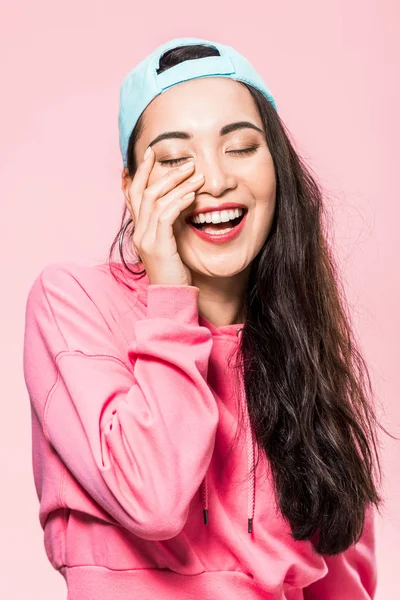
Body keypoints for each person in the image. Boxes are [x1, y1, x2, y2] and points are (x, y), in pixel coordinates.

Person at [23, 36, 385, 599]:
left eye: (241, 148)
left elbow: (342, 574)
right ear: (131, 187)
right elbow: (154, 500)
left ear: (278, 169)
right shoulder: (73, 302)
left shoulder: (302, 343)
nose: (214, 181)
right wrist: (170, 293)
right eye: (173, 159)